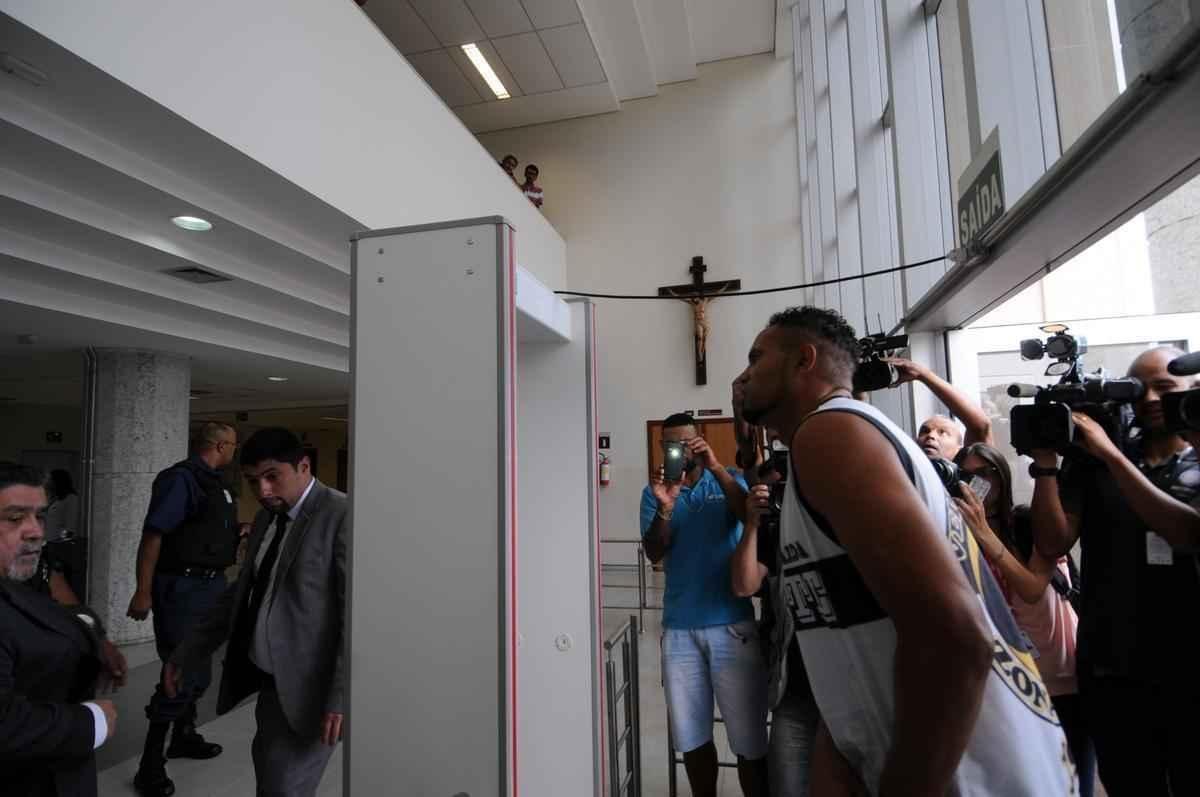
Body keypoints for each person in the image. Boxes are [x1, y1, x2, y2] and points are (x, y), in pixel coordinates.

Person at [734, 306, 1076, 794]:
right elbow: (856, 636)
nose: (744, 374)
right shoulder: (838, 440)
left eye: (756, 357)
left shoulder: (831, 434)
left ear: (802, 361)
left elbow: (956, 637)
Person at [1032, 346, 1200, 795]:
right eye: (1136, 388)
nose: (1148, 398)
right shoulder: (1093, 459)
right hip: (1113, 661)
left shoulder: (1195, 459)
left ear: (1190, 392)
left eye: (1164, 388)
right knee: (1129, 782)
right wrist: (1046, 465)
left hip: (1190, 663)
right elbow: (1052, 543)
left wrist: (1111, 457)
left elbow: (1188, 534)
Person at [164, 427, 348, 796]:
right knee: (271, 780)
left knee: (282, 788)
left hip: (311, 690)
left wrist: (340, 698)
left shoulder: (341, 515)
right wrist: (188, 652)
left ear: (303, 466)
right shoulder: (269, 516)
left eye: (272, 477)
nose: (263, 491)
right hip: (270, 684)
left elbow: (355, 617)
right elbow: (242, 592)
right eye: (253, 482)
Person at [951, 443, 1095, 797]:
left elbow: (1031, 588)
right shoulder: (954, 535)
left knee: (1074, 783)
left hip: (1062, 676)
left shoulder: (1029, 522)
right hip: (1009, 680)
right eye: (968, 474)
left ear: (1001, 476)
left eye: (986, 473)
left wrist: (984, 533)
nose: (978, 482)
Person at [640, 413, 768, 797]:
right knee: (691, 735)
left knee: (749, 739)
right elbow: (653, 552)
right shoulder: (655, 491)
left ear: (700, 442)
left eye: (686, 443)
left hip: (732, 626)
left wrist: (714, 464)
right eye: (670, 444)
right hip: (679, 629)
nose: (678, 451)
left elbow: (747, 511)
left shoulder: (726, 477)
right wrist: (665, 507)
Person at [128, 422, 241, 796]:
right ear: (221, 445)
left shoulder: (216, 482)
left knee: (200, 672)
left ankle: (184, 735)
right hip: (183, 587)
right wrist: (143, 591)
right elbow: (154, 535)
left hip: (210, 585)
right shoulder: (180, 479)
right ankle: (150, 765)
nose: (234, 452)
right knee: (178, 673)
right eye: (233, 446)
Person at [1, 462, 124, 797]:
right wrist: (92, 722)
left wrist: (95, 640)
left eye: (39, 516)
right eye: (14, 518)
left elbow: (68, 608)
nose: (35, 530)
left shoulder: (27, 568)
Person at [887, 357, 993, 461]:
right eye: (924, 431)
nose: (930, 436)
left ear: (959, 449)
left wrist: (921, 373)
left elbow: (980, 426)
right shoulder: (902, 473)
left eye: (943, 432)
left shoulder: (968, 475)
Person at [44, 469, 80, 541]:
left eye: (51, 480)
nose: (48, 483)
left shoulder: (71, 498)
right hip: (48, 542)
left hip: (59, 544)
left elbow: (71, 526)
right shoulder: (55, 497)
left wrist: (62, 542)